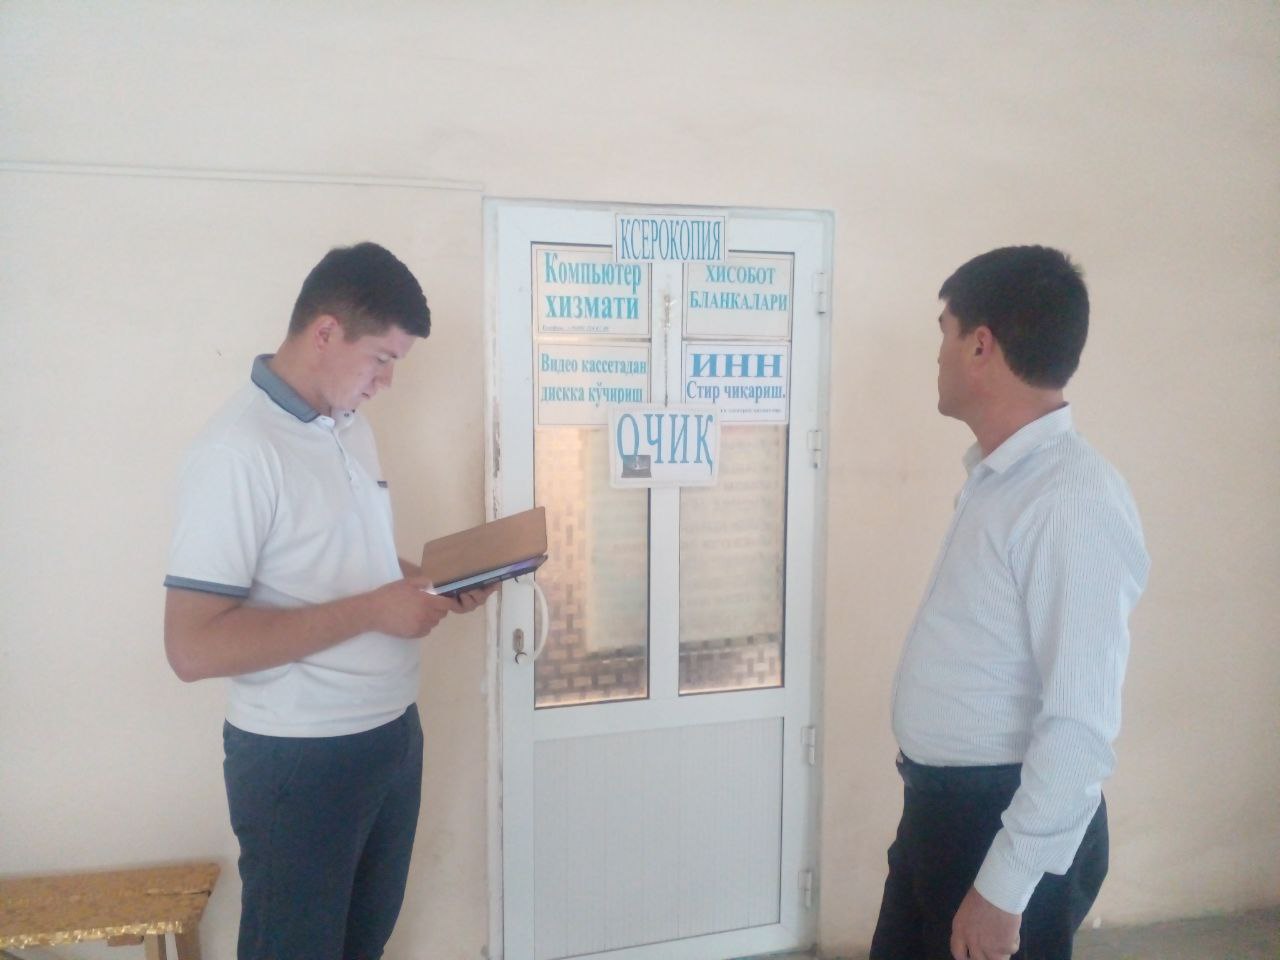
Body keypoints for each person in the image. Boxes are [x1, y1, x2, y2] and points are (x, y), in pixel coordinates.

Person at [163, 242, 493, 960]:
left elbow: (342, 562)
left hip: (390, 734)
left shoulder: (346, 426)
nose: (388, 382)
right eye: (382, 359)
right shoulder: (237, 452)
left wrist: (429, 580)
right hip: (300, 758)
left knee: (361, 944)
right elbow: (192, 647)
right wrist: (378, 609)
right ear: (325, 332)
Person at [870, 246, 1150, 960]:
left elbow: (1081, 723)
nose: (937, 354)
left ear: (981, 346)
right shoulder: (1004, 479)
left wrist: (1004, 888)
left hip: (997, 825)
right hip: (942, 816)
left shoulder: (1071, 501)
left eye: (945, 332)